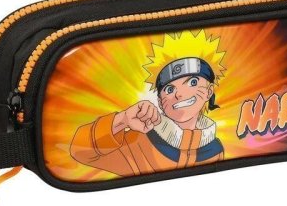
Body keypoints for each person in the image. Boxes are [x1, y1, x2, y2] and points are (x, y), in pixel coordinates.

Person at [70, 30, 226, 176]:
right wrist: (123, 119)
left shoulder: (215, 150)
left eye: (192, 82)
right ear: (160, 102)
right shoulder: (139, 141)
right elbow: (80, 151)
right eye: (169, 89)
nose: (178, 94)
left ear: (209, 91)